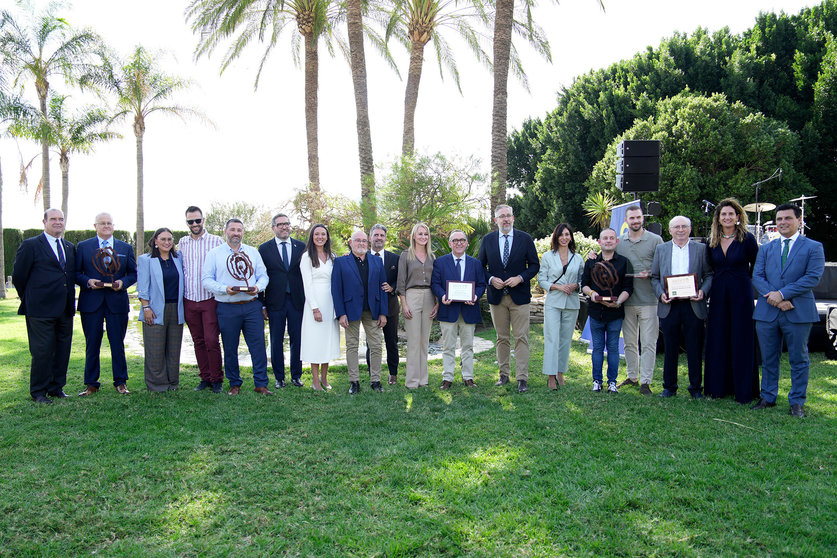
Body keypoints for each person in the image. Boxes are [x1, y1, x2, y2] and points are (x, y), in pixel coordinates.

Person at [751, 203, 824, 418]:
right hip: (768, 312)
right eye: (779, 219)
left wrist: (782, 294)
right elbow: (758, 277)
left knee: (799, 358)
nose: (782, 222)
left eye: (787, 218)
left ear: (799, 221)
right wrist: (776, 299)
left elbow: (812, 277)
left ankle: (797, 402)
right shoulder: (765, 248)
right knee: (768, 357)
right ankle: (768, 396)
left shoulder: (813, 247)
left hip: (798, 311)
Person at [12, 209, 77, 403]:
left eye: (61, 219)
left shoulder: (69, 246)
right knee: (42, 351)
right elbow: (18, 277)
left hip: (65, 308)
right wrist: (30, 297)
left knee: (62, 349)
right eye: (54, 219)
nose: (58, 222)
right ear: (44, 221)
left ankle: (56, 388)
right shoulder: (30, 245)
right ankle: (38, 392)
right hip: (39, 309)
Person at [202, 218, 271, 396]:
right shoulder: (214, 254)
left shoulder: (252, 252)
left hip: (251, 306)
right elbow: (206, 280)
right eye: (232, 229)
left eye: (239, 230)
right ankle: (234, 383)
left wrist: (258, 287)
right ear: (226, 232)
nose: (236, 233)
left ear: (243, 232)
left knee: (258, 347)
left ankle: (261, 384)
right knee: (230, 348)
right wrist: (224, 289)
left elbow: (263, 276)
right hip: (227, 307)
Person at [478, 204, 540, 393]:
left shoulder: (525, 238)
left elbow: (534, 265)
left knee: (521, 337)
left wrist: (520, 278)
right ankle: (503, 375)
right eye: (501, 216)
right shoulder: (488, 240)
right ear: (495, 220)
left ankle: (522, 378)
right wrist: (490, 279)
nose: (505, 219)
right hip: (497, 297)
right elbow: (480, 267)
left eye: (508, 216)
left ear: (513, 218)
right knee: (502, 338)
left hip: (519, 296)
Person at [703, 198, 759, 404]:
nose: (727, 217)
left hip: (741, 293)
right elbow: (708, 269)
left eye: (730, 214)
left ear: (738, 217)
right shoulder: (711, 241)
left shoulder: (748, 239)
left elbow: (757, 266)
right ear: (718, 218)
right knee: (718, 337)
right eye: (723, 214)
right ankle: (717, 388)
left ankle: (743, 391)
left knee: (741, 338)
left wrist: (745, 281)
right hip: (718, 294)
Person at [75, 212, 137, 396]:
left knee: (117, 343)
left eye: (109, 223)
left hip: (116, 302)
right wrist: (88, 281)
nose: (106, 226)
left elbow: (133, 273)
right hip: (91, 302)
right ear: (95, 226)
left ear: (113, 226)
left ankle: (121, 382)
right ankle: (91, 384)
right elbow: (76, 273)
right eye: (102, 223)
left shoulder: (125, 248)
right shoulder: (84, 247)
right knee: (92, 343)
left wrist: (123, 283)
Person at [651, 216, 713, 399]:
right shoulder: (661, 249)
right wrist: (660, 293)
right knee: (671, 348)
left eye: (684, 226)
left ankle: (695, 388)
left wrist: (703, 291)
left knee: (694, 347)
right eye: (676, 227)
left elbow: (709, 275)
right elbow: (654, 277)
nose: (680, 230)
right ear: (669, 230)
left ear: (690, 229)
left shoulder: (701, 249)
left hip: (693, 304)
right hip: (669, 305)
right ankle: (669, 387)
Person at [331, 230, 388, 394]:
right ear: (351, 242)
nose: (361, 243)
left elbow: (383, 288)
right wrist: (341, 313)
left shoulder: (376, 261)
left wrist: (383, 312)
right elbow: (336, 290)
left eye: (364, 240)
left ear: (368, 242)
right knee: (352, 346)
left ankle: (376, 381)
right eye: (358, 240)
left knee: (376, 346)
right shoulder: (341, 262)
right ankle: (354, 382)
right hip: (350, 311)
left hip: (373, 310)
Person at [615, 205, 663, 395]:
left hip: (650, 300)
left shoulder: (655, 240)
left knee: (649, 342)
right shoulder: (620, 243)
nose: (635, 221)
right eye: (632, 218)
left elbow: (664, 265)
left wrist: (651, 273)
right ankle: (632, 376)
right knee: (629, 342)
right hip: (627, 300)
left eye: (638, 217)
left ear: (643, 218)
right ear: (626, 221)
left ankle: (646, 381)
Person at [431, 230, 486, 388]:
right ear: (450, 244)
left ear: (467, 243)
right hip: (448, 310)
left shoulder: (475, 263)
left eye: (462, 240)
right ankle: (447, 377)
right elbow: (435, 284)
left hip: (469, 310)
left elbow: (481, 284)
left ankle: (468, 377)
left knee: (467, 346)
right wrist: (442, 296)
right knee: (448, 346)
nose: (459, 243)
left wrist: (475, 295)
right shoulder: (440, 262)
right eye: (455, 241)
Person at [581, 228, 633, 393]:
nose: (608, 240)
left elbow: (628, 288)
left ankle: (612, 382)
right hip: (596, 312)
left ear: (617, 242)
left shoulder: (624, 262)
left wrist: (619, 301)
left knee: (612, 348)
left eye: (612, 238)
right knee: (597, 348)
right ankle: (597, 380)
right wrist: (592, 293)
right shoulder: (591, 261)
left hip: (615, 313)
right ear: (599, 242)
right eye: (605, 238)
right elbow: (584, 285)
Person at [178, 206, 224, 393]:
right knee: (198, 340)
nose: (195, 224)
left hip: (209, 298)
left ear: (203, 220)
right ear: (187, 223)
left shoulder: (216, 241)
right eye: (191, 221)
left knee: (211, 339)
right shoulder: (182, 242)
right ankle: (204, 377)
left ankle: (217, 378)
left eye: (197, 220)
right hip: (190, 298)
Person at [258, 213, 306, 388]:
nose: (284, 227)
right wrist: (262, 303)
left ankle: (296, 376)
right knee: (276, 340)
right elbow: (259, 277)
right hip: (275, 302)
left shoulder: (301, 246)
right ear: (273, 228)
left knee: (297, 339)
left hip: (297, 301)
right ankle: (279, 377)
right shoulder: (264, 249)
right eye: (280, 225)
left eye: (286, 224)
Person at [137, 228, 185, 392]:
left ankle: (172, 383)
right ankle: (157, 385)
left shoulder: (178, 259)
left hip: (176, 309)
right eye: (163, 239)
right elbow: (142, 287)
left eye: (170, 239)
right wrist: (146, 307)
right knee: (155, 349)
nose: (167, 242)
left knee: (173, 349)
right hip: (155, 309)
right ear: (155, 241)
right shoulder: (146, 260)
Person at [538, 223, 584, 391]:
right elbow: (541, 279)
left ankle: (560, 372)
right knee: (552, 338)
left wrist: (575, 285)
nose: (564, 237)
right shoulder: (548, 256)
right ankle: (550, 375)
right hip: (554, 302)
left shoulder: (578, 258)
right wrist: (557, 287)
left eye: (567, 234)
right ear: (556, 237)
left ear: (571, 237)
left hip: (571, 302)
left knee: (565, 340)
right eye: (561, 235)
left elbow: (583, 280)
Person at [397, 223, 439, 389]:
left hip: (429, 296)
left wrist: (437, 303)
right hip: (411, 296)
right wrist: (404, 304)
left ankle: (423, 379)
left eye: (426, 234)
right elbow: (401, 281)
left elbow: (436, 280)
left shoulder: (432, 257)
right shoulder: (406, 255)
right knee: (414, 340)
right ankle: (412, 381)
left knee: (424, 341)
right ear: (414, 236)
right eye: (420, 234)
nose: (423, 237)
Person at [299, 224, 341, 390]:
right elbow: (307, 285)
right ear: (312, 237)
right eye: (317, 234)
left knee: (327, 341)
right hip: (314, 303)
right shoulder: (307, 257)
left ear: (327, 237)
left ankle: (325, 378)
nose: (320, 237)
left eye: (323, 234)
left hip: (330, 302)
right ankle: (315, 380)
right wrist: (314, 308)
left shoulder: (332, 256)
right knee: (315, 341)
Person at [367, 224, 400, 385]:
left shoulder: (395, 258)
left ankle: (393, 374)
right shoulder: (362, 257)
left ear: (385, 238)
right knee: (371, 343)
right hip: (370, 309)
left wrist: (393, 287)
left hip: (391, 307)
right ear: (370, 238)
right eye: (376, 235)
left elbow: (401, 280)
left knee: (391, 342)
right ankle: (372, 374)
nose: (379, 238)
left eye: (382, 235)